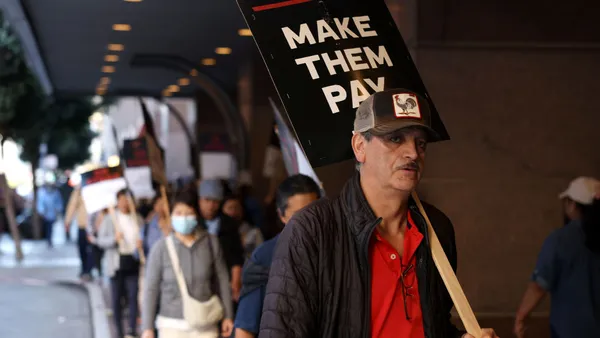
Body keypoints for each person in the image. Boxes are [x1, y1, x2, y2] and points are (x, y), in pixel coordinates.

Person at [259, 89, 498, 338]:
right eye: (396, 139)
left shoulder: (436, 229)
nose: (413, 153)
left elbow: (433, 324)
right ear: (360, 146)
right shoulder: (312, 230)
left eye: (421, 143)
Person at [234, 174, 321, 338]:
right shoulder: (265, 257)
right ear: (282, 216)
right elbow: (245, 329)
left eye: (313, 212)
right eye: (298, 215)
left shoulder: (334, 249)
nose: (308, 221)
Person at [141, 189, 234, 338]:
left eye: (188, 213)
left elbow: (222, 280)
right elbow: (151, 289)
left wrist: (228, 316)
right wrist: (147, 328)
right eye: (178, 213)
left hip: (206, 324)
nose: (183, 217)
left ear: (196, 214)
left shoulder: (211, 243)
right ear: (171, 215)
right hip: (171, 327)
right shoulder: (160, 249)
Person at [515, 176, 600, 338]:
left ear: (573, 205)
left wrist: (521, 317)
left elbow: (538, 286)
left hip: (570, 331)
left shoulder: (560, 240)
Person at [96, 189, 144, 338]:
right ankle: (119, 332)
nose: (125, 203)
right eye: (122, 199)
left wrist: (141, 244)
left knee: (133, 296)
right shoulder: (110, 219)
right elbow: (100, 240)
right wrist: (114, 239)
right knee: (117, 299)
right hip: (116, 265)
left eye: (128, 199)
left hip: (133, 262)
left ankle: (131, 330)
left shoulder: (138, 219)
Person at [198, 179, 245, 301]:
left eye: (215, 201)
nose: (210, 206)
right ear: (199, 200)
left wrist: (235, 283)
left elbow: (236, 257)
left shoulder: (229, 224)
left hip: (224, 279)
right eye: (207, 200)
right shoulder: (194, 222)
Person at [221, 194, 263, 260]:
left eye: (236, 207)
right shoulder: (217, 232)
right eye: (230, 208)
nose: (233, 212)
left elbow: (261, 255)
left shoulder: (254, 232)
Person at [64, 187, 91, 280]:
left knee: (91, 250)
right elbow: (73, 205)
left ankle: (88, 270)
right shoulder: (80, 188)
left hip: (95, 225)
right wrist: (68, 221)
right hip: (83, 224)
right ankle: (85, 269)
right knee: (82, 249)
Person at [36, 175, 64, 247]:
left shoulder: (55, 192)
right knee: (47, 227)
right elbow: (40, 202)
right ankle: (48, 239)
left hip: (52, 213)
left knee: (50, 227)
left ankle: (49, 240)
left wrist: (58, 210)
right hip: (45, 213)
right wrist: (41, 211)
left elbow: (58, 202)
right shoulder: (42, 192)